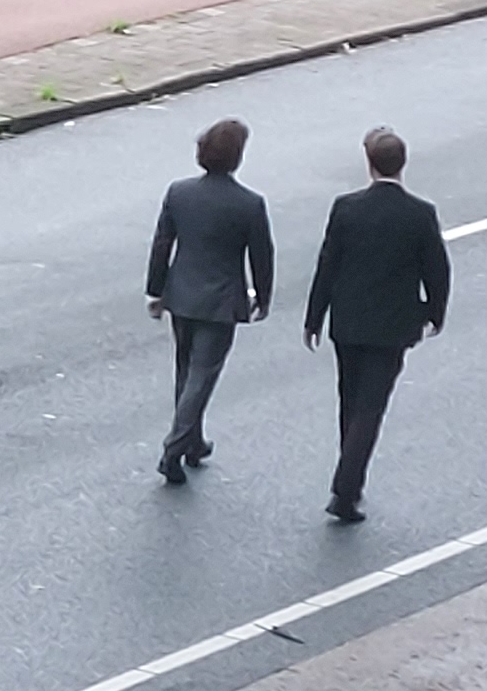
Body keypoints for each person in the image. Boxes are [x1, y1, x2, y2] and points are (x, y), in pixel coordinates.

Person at [303, 126, 451, 524]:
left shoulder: (346, 208)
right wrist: (434, 312)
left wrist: (314, 318)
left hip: (347, 323)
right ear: (402, 164)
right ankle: (346, 489)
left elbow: (327, 266)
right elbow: (436, 270)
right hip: (392, 328)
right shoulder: (420, 214)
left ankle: (349, 479)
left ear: (369, 164)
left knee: (349, 402)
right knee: (371, 407)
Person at [144, 118, 272, 486]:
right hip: (221, 303)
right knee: (202, 376)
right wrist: (262, 297)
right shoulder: (249, 204)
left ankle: (193, 442)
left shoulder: (179, 193)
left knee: (185, 373)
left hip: (181, 296)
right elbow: (261, 256)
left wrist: (157, 290)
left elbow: (162, 244)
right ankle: (174, 447)